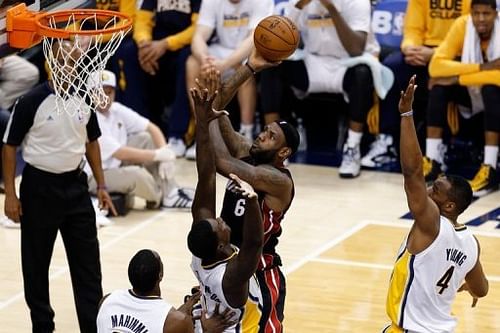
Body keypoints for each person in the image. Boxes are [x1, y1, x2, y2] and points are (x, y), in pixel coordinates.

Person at [2, 40, 116, 332]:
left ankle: (92, 327)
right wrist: (11, 195)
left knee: (89, 268)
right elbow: (9, 145)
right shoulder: (31, 100)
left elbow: (92, 143)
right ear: (50, 64)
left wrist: (101, 185)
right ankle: (42, 326)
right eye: (64, 60)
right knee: (36, 265)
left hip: (76, 187)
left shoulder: (84, 99)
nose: (70, 65)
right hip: (39, 188)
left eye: (74, 60)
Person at [199, 50, 298, 333]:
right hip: (225, 261)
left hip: (259, 269)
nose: (261, 135)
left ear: (284, 151)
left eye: (270, 137)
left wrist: (207, 118)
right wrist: (250, 68)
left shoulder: (278, 180)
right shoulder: (247, 151)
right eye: (264, 130)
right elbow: (216, 106)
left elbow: (222, 163)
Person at [382, 76, 489, 333]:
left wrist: (406, 114)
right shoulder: (471, 243)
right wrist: (467, 287)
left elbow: (413, 172)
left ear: (449, 206)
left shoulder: (431, 223)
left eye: (436, 190)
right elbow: (482, 289)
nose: (428, 190)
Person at [259, 0, 378, 178]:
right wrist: (297, 7)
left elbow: (355, 49)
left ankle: (352, 148)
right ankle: (273, 146)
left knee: (363, 73)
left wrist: (331, 8)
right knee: (272, 65)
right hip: (313, 60)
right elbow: (279, 40)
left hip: (348, 62)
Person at [187, 85, 264, 332]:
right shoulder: (230, 278)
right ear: (220, 245)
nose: (220, 220)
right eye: (219, 226)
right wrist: (252, 202)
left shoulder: (203, 255)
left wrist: (203, 122)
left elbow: (206, 175)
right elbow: (254, 244)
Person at [361, 0, 472, 169]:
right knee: (391, 68)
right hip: (422, 50)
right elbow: (412, 29)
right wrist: (410, 48)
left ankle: (441, 147)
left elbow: (469, 35)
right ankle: (386, 140)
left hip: (457, 53)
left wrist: (436, 54)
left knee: (439, 76)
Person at [422, 0, 500, 197]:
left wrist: (457, 78)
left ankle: (490, 167)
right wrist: (482, 68)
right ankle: (432, 161)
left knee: (491, 89)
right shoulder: (462, 25)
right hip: (472, 90)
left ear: (496, 13)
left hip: (494, 95)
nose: (481, 19)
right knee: (439, 85)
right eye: (476, 13)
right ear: (470, 13)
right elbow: (435, 67)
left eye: (486, 14)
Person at [87, 70, 194, 209]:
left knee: (146, 139)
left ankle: (171, 191)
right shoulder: (90, 117)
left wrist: (164, 151)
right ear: (89, 93)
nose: (105, 97)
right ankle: (161, 196)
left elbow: (151, 128)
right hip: (96, 176)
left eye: (109, 92)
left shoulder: (116, 109)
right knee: (137, 174)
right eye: (99, 92)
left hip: (115, 164)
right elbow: (119, 152)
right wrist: (157, 155)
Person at [186, 0, 274, 144]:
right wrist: (204, 60)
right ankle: (202, 129)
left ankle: (246, 132)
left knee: (245, 67)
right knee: (192, 63)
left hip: (249, 51)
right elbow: (199, 35)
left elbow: (255, 38)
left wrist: (225, 64)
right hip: (221, 49)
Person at [97, 249, 235, 333]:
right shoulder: (177, 322)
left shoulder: (107, 301)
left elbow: (145, 320)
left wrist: (177, 315)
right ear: (160, 275)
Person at [132, 0, 201, 156]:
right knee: (130, 52)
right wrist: (144, 45)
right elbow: (142, 20)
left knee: (187, 59)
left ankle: (178, 135)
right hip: (157, 44)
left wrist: (166, 44)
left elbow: (197, 28)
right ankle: (140, 129)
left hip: (184, 43)